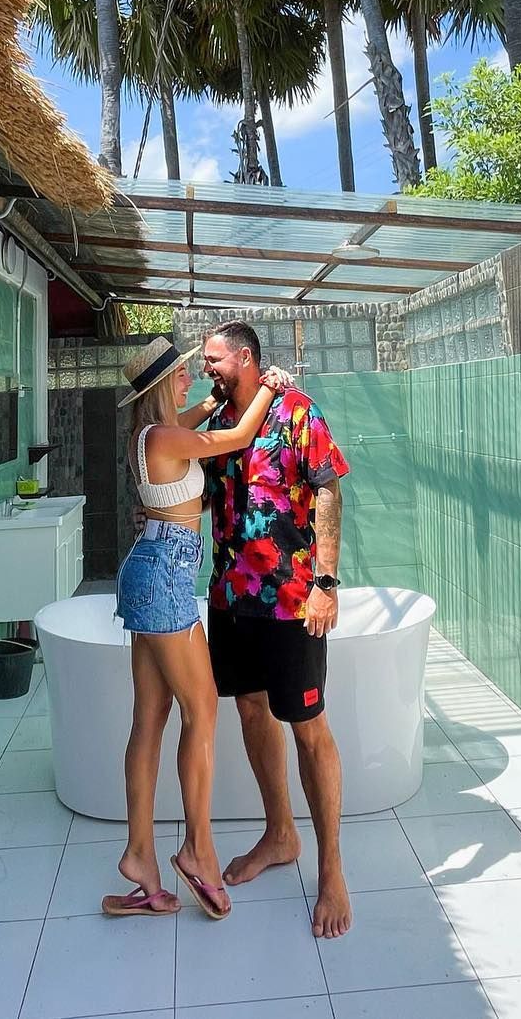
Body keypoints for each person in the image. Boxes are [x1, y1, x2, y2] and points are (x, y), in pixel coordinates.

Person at [103, 337, 291, 921]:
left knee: (149, 719)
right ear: (164, 385)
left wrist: (216, 398)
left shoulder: (153, 434)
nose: (191, 379)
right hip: (163, 574)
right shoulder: (164, 437)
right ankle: (198, 851)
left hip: (153, 566)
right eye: (183, 374)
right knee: (203, 709)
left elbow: (203, 418)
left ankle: (140, 859)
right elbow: (232, 439)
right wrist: (268, 387)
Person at [200, 321, 354, 939]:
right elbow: (205, 495)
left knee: (309, 729)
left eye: (214, 359)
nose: (207, 367)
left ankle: (332, 869)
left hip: (293, 601)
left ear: (245, 358)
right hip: (231, 600)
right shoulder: (218, 423)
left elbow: (328, 491)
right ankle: (280, 833)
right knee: (250, 710)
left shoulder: (296, 411)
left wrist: (326, 582)